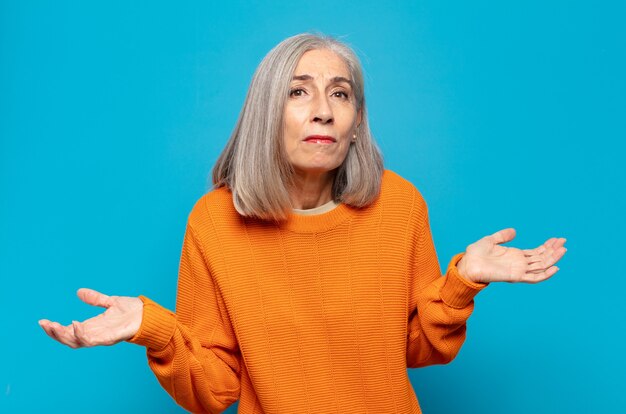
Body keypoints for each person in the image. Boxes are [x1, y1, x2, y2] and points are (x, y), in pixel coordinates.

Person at [39, 33, 567, 413]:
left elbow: (416, 350)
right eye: (298, 91)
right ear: (266, 113)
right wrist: (151, 330)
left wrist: (461, 283)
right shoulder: (215, 222)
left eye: (340, 93)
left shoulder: (399, 205)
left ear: (358, 121)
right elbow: (216, 389)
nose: (323, 110)